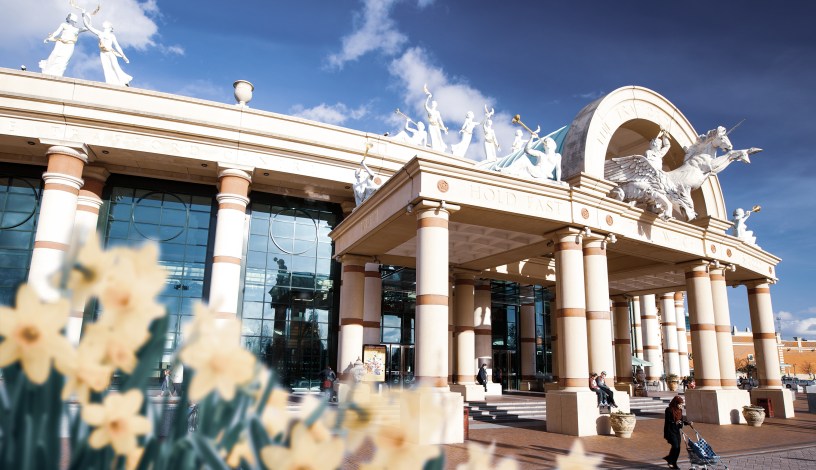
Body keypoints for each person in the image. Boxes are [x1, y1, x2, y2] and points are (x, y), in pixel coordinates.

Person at [82, 13, 133, 86]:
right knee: (106, 68)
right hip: (103, 53)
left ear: (109, 27)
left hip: (110, 52)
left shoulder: (111, 36)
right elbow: (88, 26)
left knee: (115, 67)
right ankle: (110, 82)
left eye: (105, 23)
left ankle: (124, 81)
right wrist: (83, 16)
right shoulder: (100, 33)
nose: (103, 23)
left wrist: (123, 56)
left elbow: (117, 46)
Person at [663, 395, 692, 469]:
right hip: (670, 431)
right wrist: (675, 422)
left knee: (678, 448)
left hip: (676, 431)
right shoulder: (669, 410)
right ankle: (670, 460)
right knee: (675, 446)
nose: (681, 406)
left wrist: (687, 423)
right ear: (675, 403)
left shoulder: (680, 411)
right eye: (679, 404)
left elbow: (681, 421)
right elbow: (668, 420)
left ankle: (673, 462)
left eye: (682, 404)